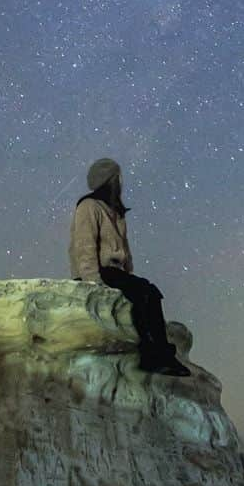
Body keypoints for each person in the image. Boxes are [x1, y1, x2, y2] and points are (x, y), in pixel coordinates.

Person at [69, 157, 190, 377]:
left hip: (116, 272)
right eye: (118, 178)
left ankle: (159, 352)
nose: (121, 183)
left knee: (149, 292)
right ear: (109, 180)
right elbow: (84, 245)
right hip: (101, 271)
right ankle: (154, 355)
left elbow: (123, 248)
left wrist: (128, 274)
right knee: (146, 293)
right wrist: (92, 282)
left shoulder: (115, 211)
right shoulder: (89, 207)